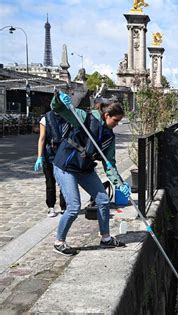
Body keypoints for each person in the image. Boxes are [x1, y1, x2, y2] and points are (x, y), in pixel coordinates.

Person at [50, 91, 130, 256]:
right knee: (73, 206)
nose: (117, 124)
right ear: (106, 115)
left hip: (84, 169)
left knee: (103, 200)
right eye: (115, 120)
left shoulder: (109, 137)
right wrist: (58, 99)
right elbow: (58, 109)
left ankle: (106, 238)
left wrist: (120, 185)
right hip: (66, 165)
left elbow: (110, 165)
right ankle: (59, 242)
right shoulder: (83, 117)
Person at [34, 110, 70, 217]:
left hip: (64, 153)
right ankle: (51, 206)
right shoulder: (46, 118)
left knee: (64, 182)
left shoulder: (68, 117)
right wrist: (39, 156)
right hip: (49, 153)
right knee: (50, 182)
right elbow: (42, 139)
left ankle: (64, 206)